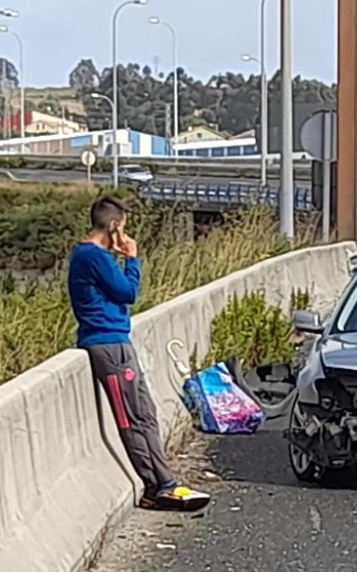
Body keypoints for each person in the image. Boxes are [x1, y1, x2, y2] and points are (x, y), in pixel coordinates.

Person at [67, 196, 210, 511]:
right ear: (115, 226)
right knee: (131, 417)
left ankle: (164, 481)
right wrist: (132, 259)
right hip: (106, 343)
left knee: (145, 412)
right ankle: (160, 485)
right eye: (124, 228)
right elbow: (128, 293)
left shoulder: (92, 256)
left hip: (116, 341)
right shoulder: (94, 257)